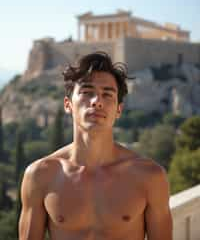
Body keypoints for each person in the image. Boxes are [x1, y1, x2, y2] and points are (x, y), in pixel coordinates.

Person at [19, 52, 172, 240]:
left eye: (107, 94)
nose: (97, 101)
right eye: (86, 92)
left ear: (118, 110)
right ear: (68, 105)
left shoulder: (150, 177)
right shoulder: (40, 175)